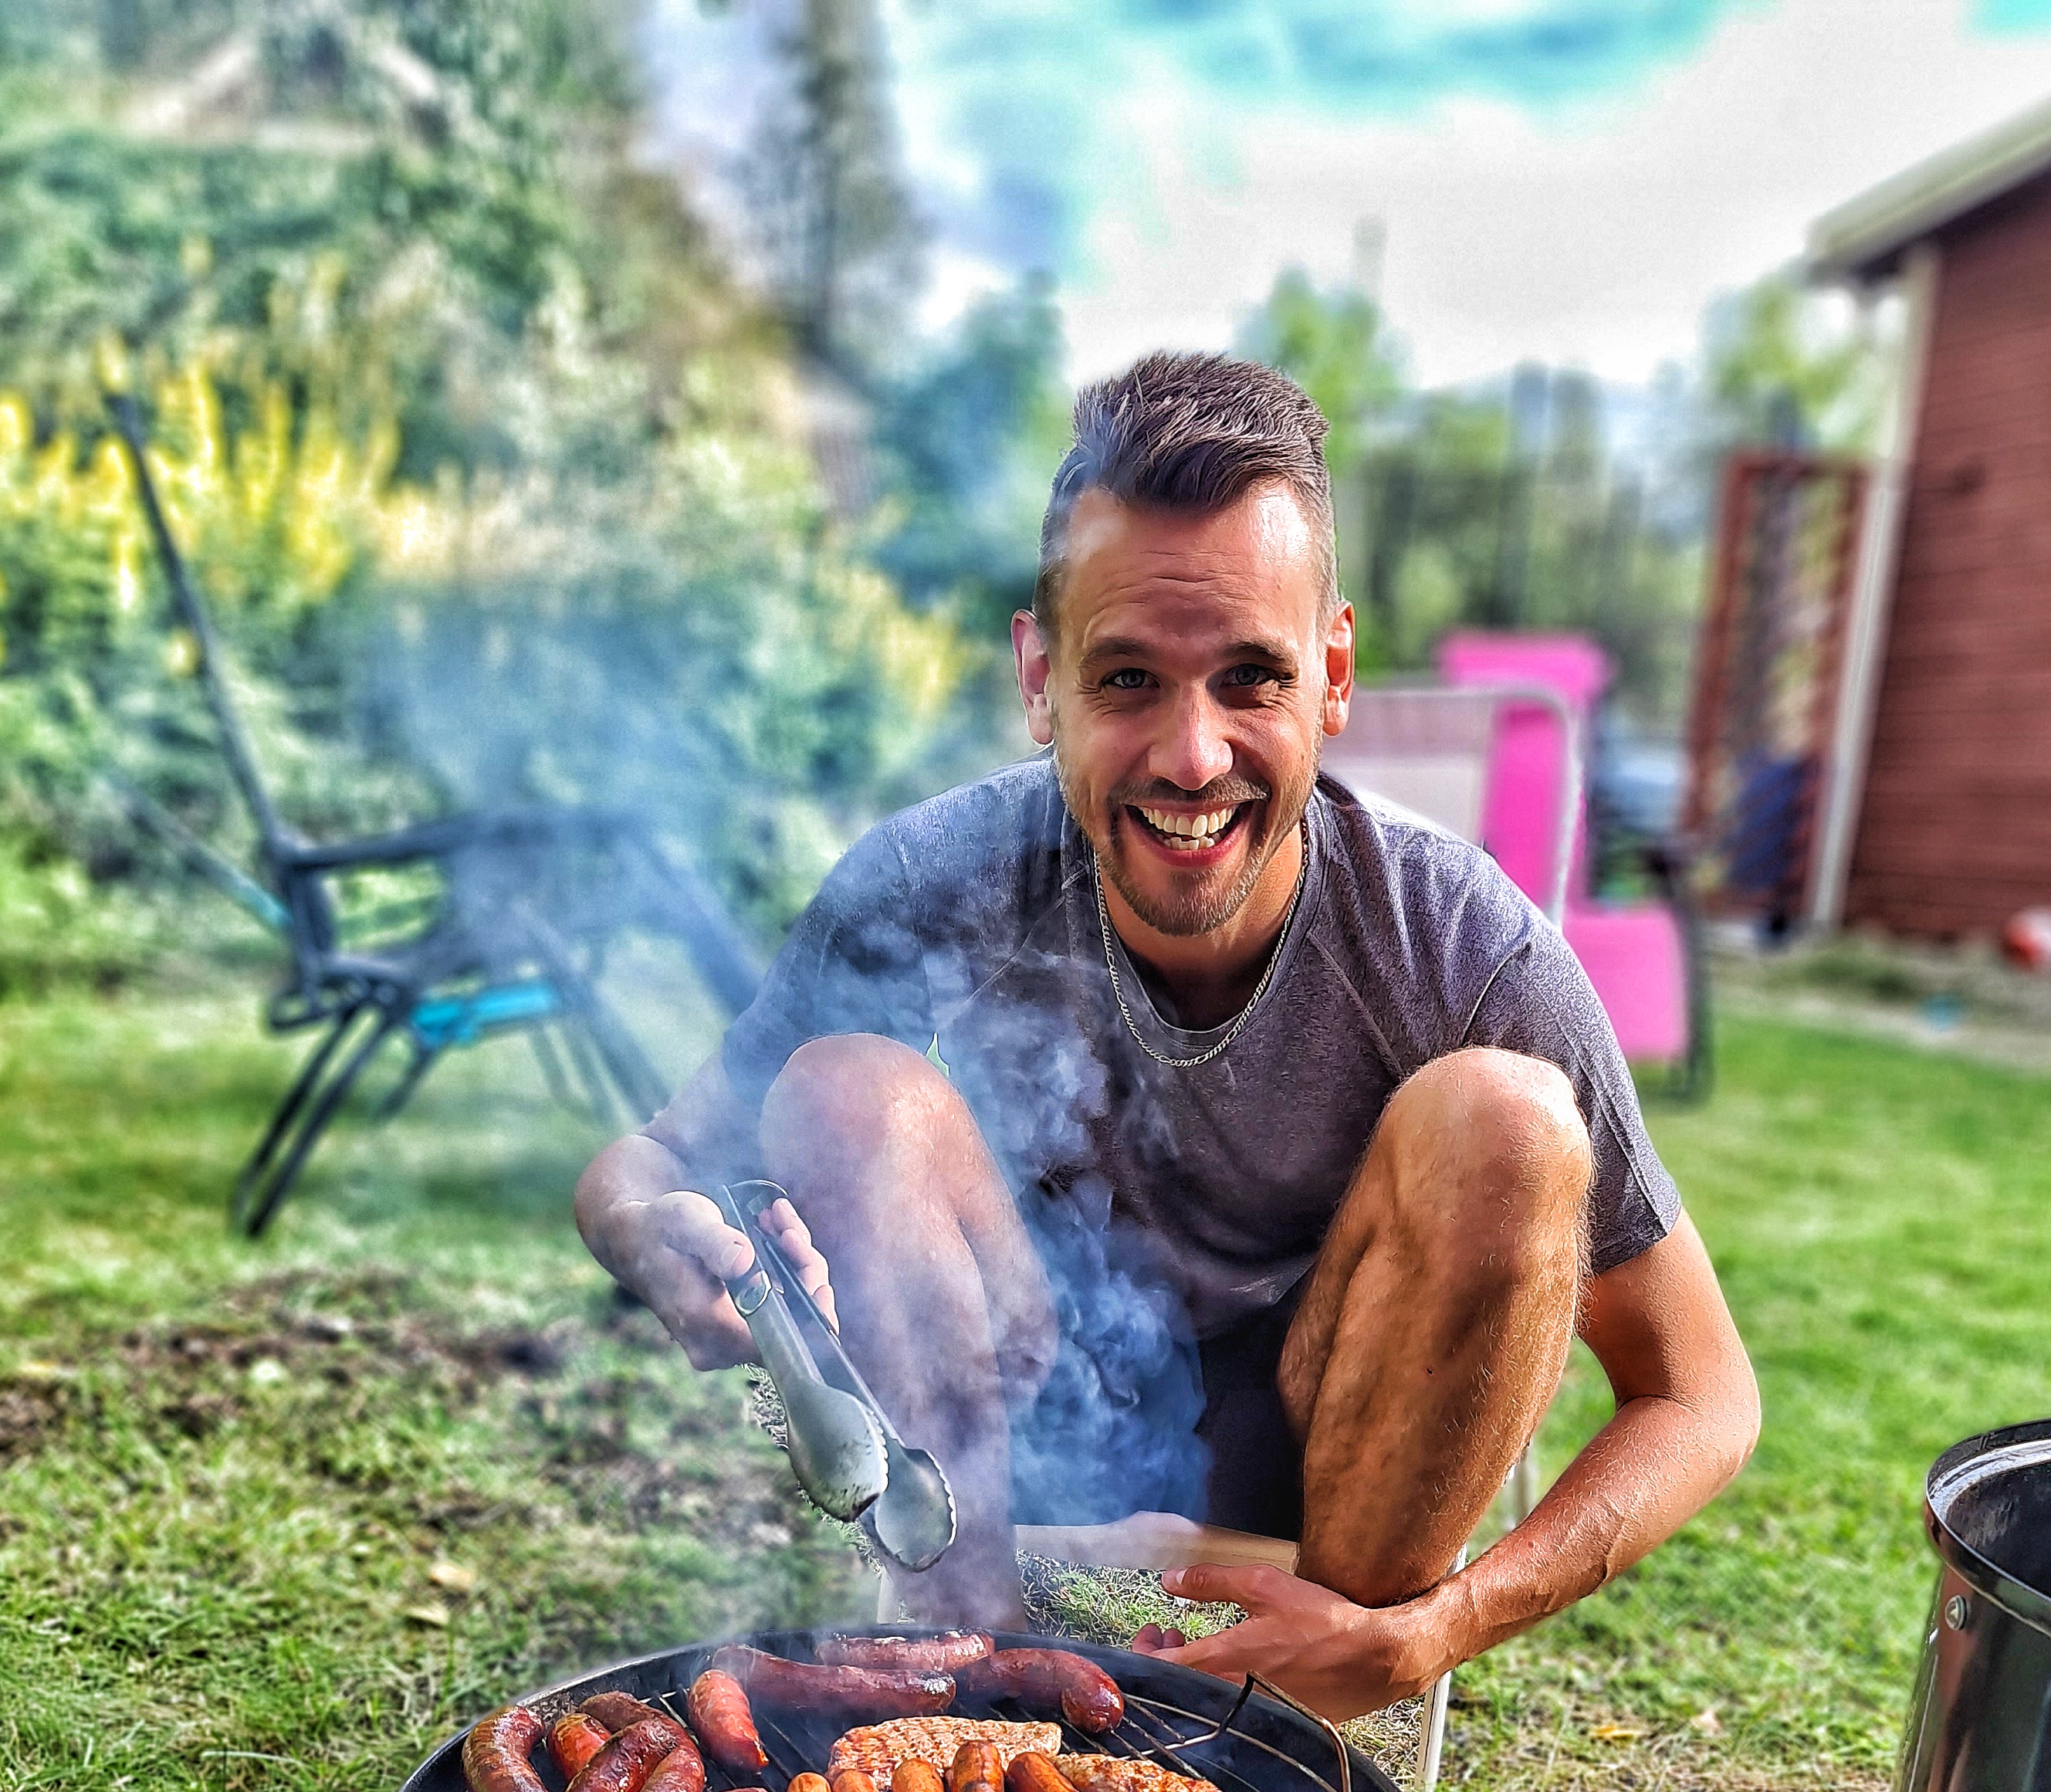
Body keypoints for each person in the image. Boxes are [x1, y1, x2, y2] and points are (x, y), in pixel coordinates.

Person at [574, 351, 1758, 1723]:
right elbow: (650, 1162)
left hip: (1333, 1491)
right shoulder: (935, 876)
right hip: (1024, 1447)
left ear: (1333, 675)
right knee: (842, 1092)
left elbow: (1702, 1395)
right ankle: (966, 1674)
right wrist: (649, 1236)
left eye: (1251, 678)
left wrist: (1436, 1628)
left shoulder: (1458, 946)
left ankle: (1297, 1716)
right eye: (1129, 678)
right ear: (1042, 679)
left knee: (1510, 1120)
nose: (1192, 757)